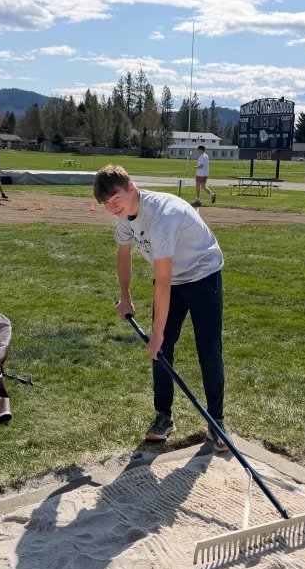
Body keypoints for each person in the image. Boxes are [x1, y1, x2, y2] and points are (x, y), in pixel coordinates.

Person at [96, 165, 227, 451]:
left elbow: (164, 282)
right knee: (161, 352)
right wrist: (125, 296)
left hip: (203, 273)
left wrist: (157, 335)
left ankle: (217, 422)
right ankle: (164, 416)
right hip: (173, 278)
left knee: (208, 350)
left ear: (131, 187)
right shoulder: (125, 214)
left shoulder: (162, 216)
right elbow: (124, 253)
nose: (111, 207)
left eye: (115, 198)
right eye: (106, 203)